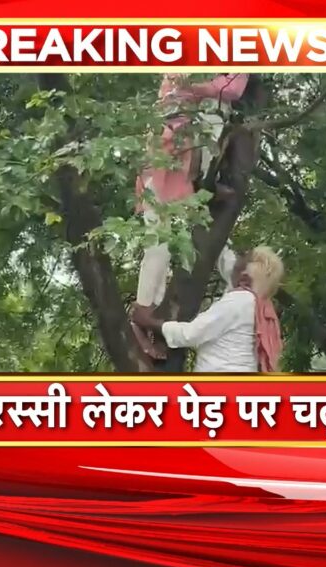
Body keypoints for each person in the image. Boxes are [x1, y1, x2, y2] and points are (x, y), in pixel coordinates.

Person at [132, 73, 249, 358]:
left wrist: (191, 86)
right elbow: (171, 91)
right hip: (167, 156)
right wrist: (190, 88)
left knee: (193, 243)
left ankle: (152, 320)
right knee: (158, 244)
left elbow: (231, 89)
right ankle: (142, 315)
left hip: (184, 164)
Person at [131, 246, 284, 373]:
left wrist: (148, 321)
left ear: (245, 276)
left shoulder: (240, 300)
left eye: (242, 260)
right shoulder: (257, 305)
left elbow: (190, 334)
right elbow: (227, 260)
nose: (236, 262)